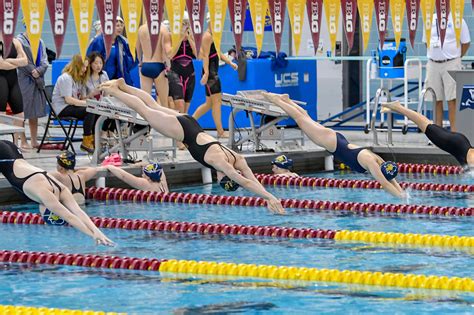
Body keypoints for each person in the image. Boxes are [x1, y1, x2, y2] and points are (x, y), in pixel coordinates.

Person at [99, 78, 284, 214]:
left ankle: (123, 85)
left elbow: (251, 179)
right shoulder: (220, 162)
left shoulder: (237, 158)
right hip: (183, 131)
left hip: (192, 124)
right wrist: (269, 197)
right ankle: (116, 91)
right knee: (146, 111)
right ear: (224, 178)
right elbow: (245, 181)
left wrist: (268, 195)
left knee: (152, 105)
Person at [263, 93, 405, 199]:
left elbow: (390, 178)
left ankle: (286, 100)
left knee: (305, 117)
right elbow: (385, 184)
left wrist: (401, 191)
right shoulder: (372, 163)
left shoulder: (378, 160)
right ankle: (276, 100)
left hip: (336, 139)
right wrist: (401, 199)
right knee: (300, 119)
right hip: (332, 143)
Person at [0, 140, 114, 246]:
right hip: (6, 155)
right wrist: (94, 235)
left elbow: (78, 213)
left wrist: (97, 232)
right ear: (46, 208)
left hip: (11, 152)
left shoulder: (62, 188)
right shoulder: (45, 195)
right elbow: (70, 216)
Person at [381, 101, 473, 169]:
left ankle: (395, 109)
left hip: (460, 144)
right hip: (454, 144)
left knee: (425, 124)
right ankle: (398, 107)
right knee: (425, 125)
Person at [192, 13, 238, 138]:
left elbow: (218, 53)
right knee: (216, 102)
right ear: (210, 22)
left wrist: (229, 62)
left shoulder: (213, 36)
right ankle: (220, 131)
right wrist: (206, 73)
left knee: (209, 104)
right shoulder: (207, 36)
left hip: (212, 72)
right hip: (211, 74)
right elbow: (205, 56)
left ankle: (190, 122)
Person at [422, 13, 471, 132]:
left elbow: (466, 43)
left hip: (451, 62)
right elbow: (426, 42)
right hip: (433, 63)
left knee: (452, 99)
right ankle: (437, 133)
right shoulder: (430, 20)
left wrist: (456, 57)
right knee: (436, 99)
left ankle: (455, 133)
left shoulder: (457, 19)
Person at [51, 54, 96, 153]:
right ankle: (86, 141)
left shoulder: (80, 79)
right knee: (90, 110)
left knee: (96, 110)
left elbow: (82, 98)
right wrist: (87, 104)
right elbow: (69, 100)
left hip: (71, 105)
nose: (85, 69)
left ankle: (95, 139)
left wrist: (92, 98)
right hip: (62, 108)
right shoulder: (66, 78)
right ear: (77, 65)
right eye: (83, 66)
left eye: (86, 67)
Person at [16, 31, 49, 149]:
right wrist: (32, 71)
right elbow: (21, 61)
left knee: (34, 112)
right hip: (24, 80)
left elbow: (45, 61)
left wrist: (39, 71)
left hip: (38, 79)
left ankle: (34, 140)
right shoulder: (20, 41)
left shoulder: (40, 41)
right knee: (22, 112)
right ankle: (23, 140)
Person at [163, 11, 197, 114]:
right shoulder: (170, 36)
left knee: (185, 111)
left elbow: (197, 55)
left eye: (187, 23)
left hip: (190, 74)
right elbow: (170, 54)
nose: (185, 26)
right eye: (183, 23)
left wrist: (190, 39)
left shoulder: (193, 37)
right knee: (179, 106)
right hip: (175, 73)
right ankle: (178, 128)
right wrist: (180, 38)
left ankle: (183, 128)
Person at [87, 16, 137, 86]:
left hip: (118, 77)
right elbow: (89, 58)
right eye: (117, 26)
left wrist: (125, 69)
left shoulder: (123, 42)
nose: (120, 28)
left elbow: (132, 59)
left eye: (121, 25)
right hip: (101, 76)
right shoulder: (99, 41)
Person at [0, 38, 29, 149]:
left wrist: (8, 62)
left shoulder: (15, 41)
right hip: (1, 79)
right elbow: (1, 65)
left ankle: (14, 144)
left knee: (20, 113)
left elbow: (25, 61)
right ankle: (2, 144)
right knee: (1, 113)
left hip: (13, 81)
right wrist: (17, 63)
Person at [137, 22, 169, 108]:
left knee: (145, 102)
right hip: (159, 65)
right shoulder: (163, 28)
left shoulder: (141, 29)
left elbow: (138, 48)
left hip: (145, 64)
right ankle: (163, 121)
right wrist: (168, 66)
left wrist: (140, 63)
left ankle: (145, 121)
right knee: (164, 103)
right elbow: (165, 51)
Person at [105, 163, 169, 193]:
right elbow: (157, 167)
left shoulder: (146, 184)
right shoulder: (163, 182)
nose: (142, 175)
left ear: (149, 177)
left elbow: (123, 176)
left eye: (144, 174)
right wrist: (140, 164)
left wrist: (109, 166)